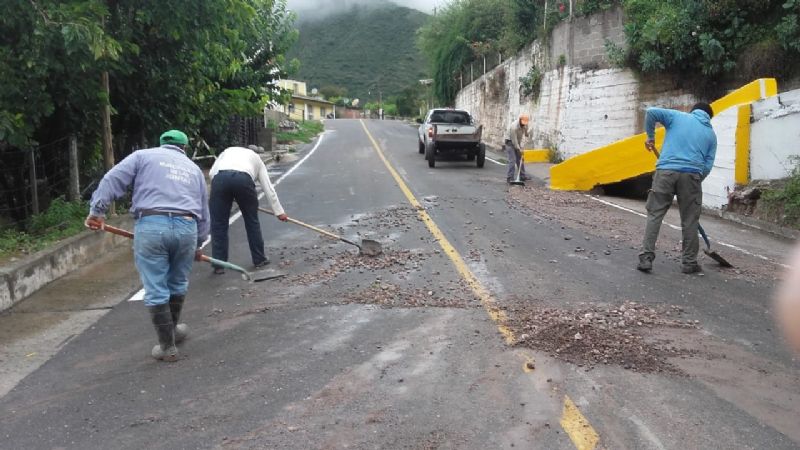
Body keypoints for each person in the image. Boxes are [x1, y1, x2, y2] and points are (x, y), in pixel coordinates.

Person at [85, 129, 210, 362]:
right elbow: (204, 211)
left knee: (155, 285)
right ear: (183, 148)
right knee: (178, 282)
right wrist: (198, 243)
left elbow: (111, 180)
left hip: (152, 224)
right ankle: (171, 333)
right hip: (186, 226)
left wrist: (97, 211)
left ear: (161, 144)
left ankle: (167, 346)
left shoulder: (142, 156)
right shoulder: (193, 169)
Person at [637, 103, 717, 274]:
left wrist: (650, 137)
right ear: (709, 117)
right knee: (690, 220)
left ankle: (646, 258)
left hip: (666, 172)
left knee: (655, 214)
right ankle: (689, 262)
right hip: (692, 175)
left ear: (693, 111)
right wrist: (695, 179)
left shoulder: (678, 117)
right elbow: (708, 165)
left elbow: (651, 112)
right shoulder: (711, 134)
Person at [209, 145, 288, 274]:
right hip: (243, 180)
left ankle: (219, 264)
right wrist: (279, 212)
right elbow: (268, 187)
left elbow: (212, 173)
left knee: (218, 224)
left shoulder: (227, 151)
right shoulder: (256, 158)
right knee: (251, 221)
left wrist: (226, 192)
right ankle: (259, 259)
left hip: (220, 180)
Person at [505, 113, 530, 183]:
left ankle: (522, 176)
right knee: (512, 160)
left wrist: (527, 134)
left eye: (525, 123)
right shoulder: (514, 127)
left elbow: (526, 133)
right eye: (523, 122)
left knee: (521, 159)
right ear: (520, 120)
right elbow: (514, 141)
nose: (524, 124)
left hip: (517, 142)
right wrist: (519, 149)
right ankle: (510, 178)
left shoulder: (525, 124)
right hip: (510, 142)